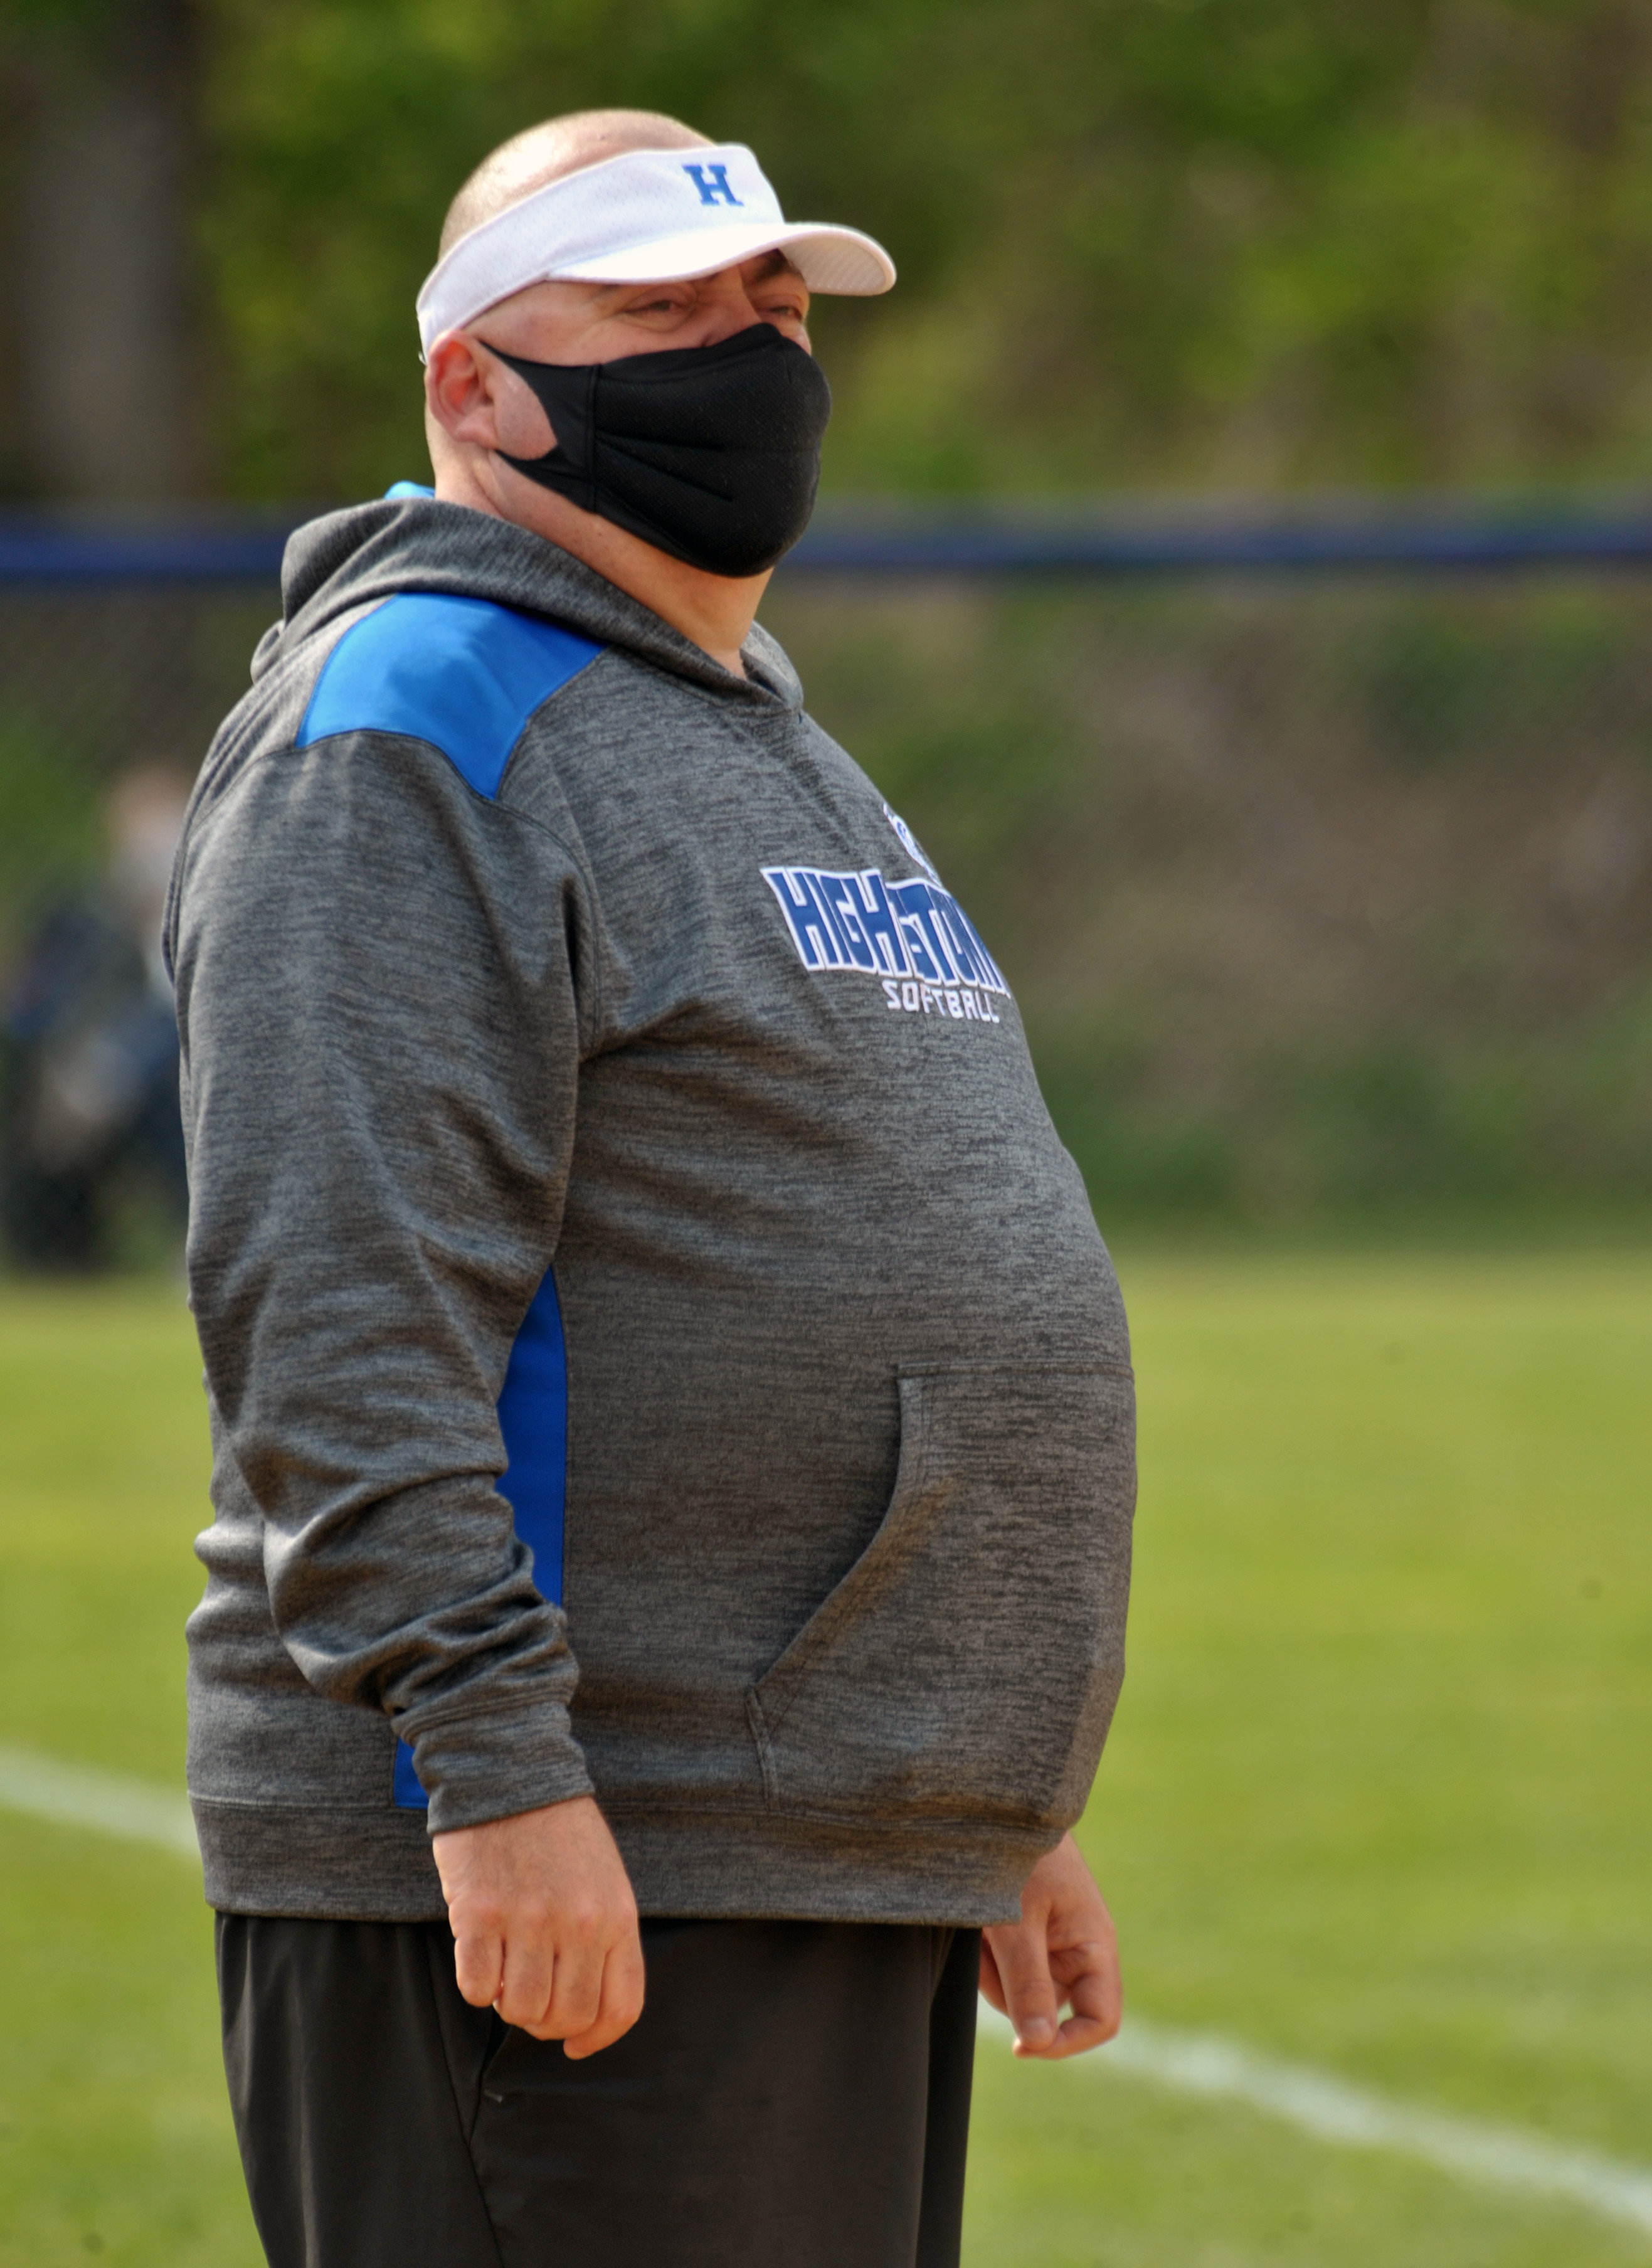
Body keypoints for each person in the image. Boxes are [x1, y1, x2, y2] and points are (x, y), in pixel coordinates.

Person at [170, 107, 1136, 2268]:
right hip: (568, 1850)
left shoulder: (739, 726)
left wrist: (965, 1795)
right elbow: (337, 1297)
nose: (746, 353)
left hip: (801, 1841)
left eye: (772, 309)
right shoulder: (407, 717)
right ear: (468, 383)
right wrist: (493, 1771)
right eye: (665, 310)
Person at [3, 766, 190, 1268]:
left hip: (156, 1091)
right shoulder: (79, 920)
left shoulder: (204, 916)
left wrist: (114, 1064)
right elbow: (33, 1007)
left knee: (169, 1062)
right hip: (64, 1087)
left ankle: (194, 1235)